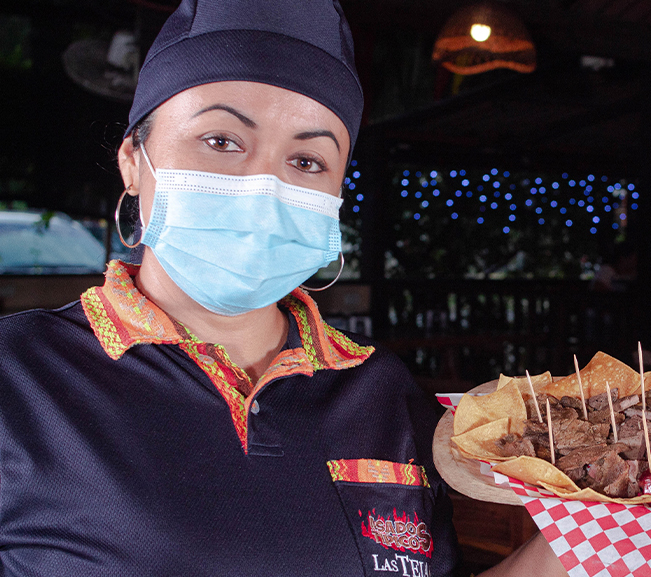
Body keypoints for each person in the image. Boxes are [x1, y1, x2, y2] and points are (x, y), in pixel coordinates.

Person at [0, 1, 565, 575]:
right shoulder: (17, 374)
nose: (263, 183)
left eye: (306, 159)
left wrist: (589, 546)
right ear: (132, 159)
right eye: (220, 141)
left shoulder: (383, 393)